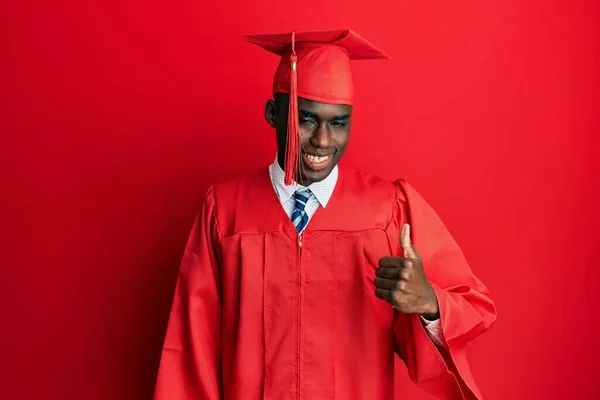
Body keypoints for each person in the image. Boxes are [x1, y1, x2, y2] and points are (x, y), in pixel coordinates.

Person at [153, 29, 497, 400]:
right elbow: (193, 351)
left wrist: (429, 303)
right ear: (273, 114)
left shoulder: (387, 210)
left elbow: (474, 305)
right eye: (306, 119)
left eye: (338, 122)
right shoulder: (226, 211)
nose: (322, 140)